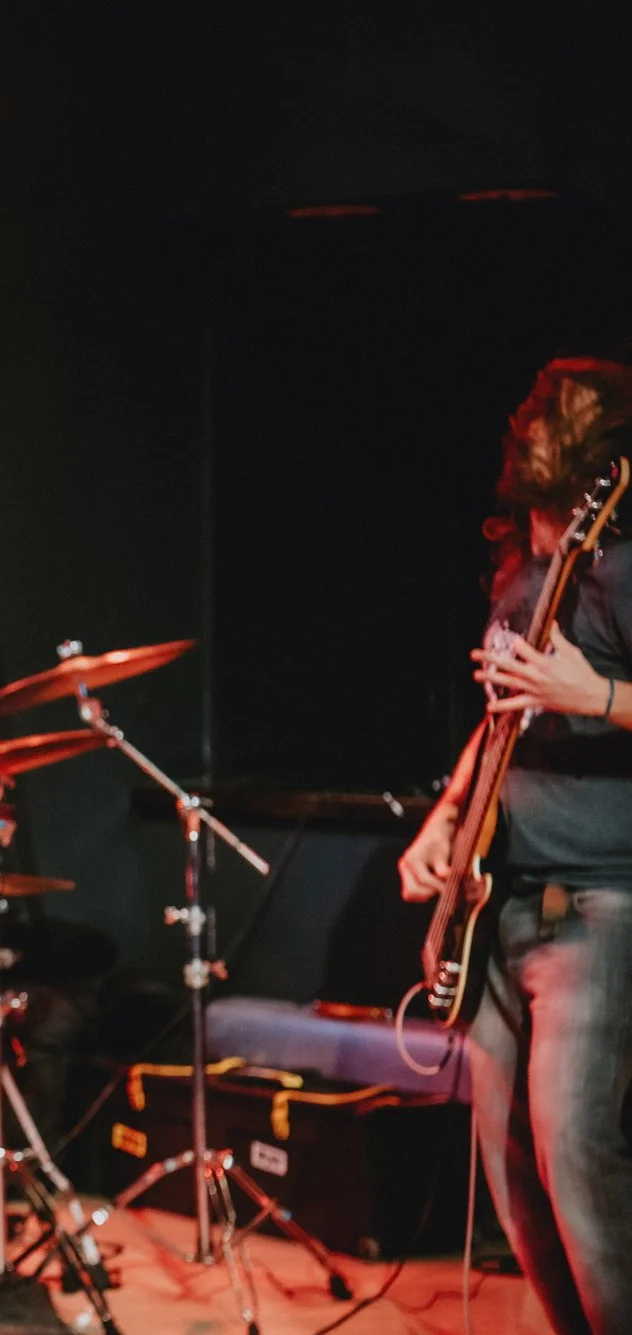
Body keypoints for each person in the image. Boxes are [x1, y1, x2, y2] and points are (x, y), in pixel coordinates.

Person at [399, 356, 632, 1335]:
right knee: (507, 1169)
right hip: (505, 895)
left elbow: (568, 699)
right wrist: (444, 819)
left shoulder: (619, 571)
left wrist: (598, 697)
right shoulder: (527, 573)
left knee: (571, 1150)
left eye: (554, 408)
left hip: (594, 903)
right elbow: (500, 720)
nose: (525, 418)